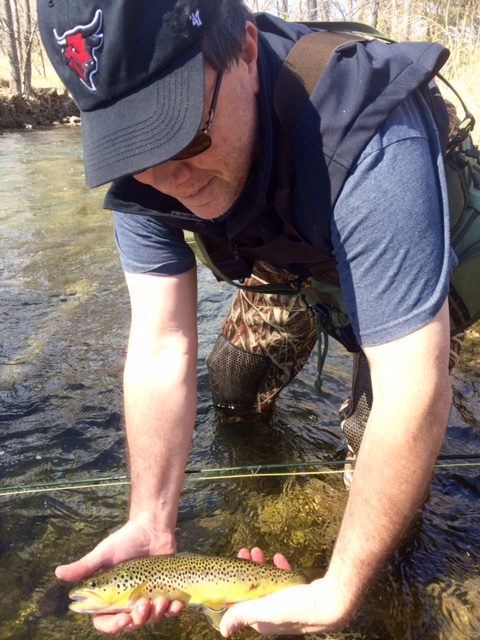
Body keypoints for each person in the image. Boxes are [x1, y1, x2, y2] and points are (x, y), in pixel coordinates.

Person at [38, 0, 458, 636]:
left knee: (380, 454)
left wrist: (337, 590)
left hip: (399, 269)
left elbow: (415, 391)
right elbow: (161, 341)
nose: (164, 178)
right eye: (131, 147)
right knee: (232, 385)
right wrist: (152, 516)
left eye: (178, 132)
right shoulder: (148, 175)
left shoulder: (371, 136)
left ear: (247, 51)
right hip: (289, 265)